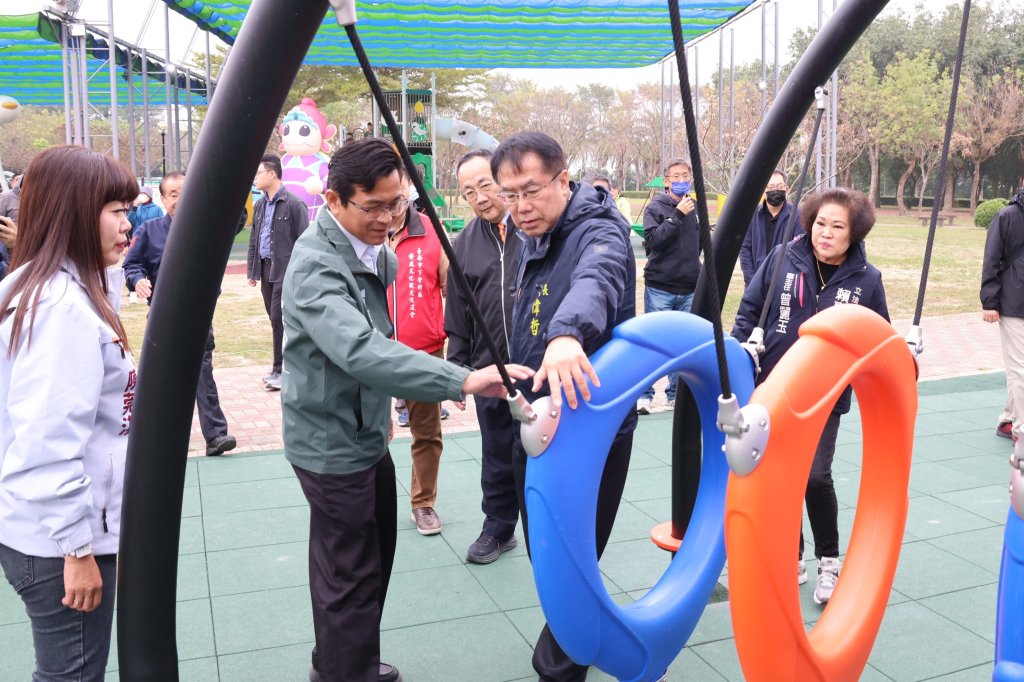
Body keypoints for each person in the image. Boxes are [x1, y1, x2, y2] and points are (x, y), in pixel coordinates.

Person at [281, 137, 532, 682]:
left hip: (361, 434)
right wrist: (461, 378)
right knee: (350, 573)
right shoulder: (316, 268)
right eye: (374, 206)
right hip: (330, 445)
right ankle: (346, 673)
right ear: (332, 199)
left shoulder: (375, 250)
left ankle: (344, 663)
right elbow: (362, 350)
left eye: (398, 203)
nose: (390, 217)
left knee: (370, 559)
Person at [494, 131, 636, 681]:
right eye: (510, 195)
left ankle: (563, 662)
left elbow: (594, 281)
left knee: (573, 558)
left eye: (531, 191)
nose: (520, 206)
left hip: (591, 425)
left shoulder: (600, 229)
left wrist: (567, 335)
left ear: (563, 178)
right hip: (537, 416)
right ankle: (582, 635)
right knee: (546, 553)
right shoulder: (533, 232)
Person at [0, 145, 137, 680]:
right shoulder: (61, 310)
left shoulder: (53, 284)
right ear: (76, 211)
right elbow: (47, 443)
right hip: (60, 539)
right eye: (116, 210)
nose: (128, 224)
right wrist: (77, 549)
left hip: (54, 530)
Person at [732, 187, 889, 606]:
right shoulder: (785, 256)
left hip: (826, 394)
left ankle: (828, 559)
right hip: (775, 385)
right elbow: (749, 310)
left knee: (815, 475)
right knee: (778, 475)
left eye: (837, 226)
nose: (826, 233)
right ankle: (792, 554)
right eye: (820, 223)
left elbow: (878, 339)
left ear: (853, 233)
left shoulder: (866, 280)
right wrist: (740, 350)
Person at [123, 172, 237, 457]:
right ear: (163, 199)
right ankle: (156, 441)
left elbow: (238, 218)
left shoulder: (209, 227)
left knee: (202, 374)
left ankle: (216, 435)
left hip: (198, 317)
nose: (180, 198)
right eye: (173, 194)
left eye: (187, 192)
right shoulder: (148, 230)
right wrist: (137, 280)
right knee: (159, 381)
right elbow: (131, 266)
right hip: (161, 319)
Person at [448, 148, 521, 564]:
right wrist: (458, 365)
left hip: (538, 365)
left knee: (544, 449)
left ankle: (548, 529)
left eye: (485, 185)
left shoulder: (533, 227)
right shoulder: (467, 241)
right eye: (468, 191)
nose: (479, 197)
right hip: (489, 368)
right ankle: (498, 526)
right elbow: (458, 307)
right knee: (497, 450)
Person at [386, 172, 450, 536]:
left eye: (399, 194)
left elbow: (452, 293)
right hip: (371, 352)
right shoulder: (363, 232)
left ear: (409, 187)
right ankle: (366, 503)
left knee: (426, 433)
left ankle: (423, 503)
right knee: (370, 430)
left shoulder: (431, 232)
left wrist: (455, 348)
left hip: (424, 351)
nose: (392, 206)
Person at [636, 158, 699, 414]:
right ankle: (645, 394)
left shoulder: (697, 207)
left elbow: (701, 244)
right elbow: (653, 242)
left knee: (684, 345)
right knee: (655, 343)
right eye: (676, 176)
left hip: (690, 287)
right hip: (660, 287)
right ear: (666, 181)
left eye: (685, 175)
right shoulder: (656, 207)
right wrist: (677, 215)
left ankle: (676, 394)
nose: (681, 180)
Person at [247, 153, 310, 391]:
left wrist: (301, 274)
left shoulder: (294, 204)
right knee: (275, 320)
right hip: (266, 270)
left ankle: (280, 369)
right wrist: (252, 271)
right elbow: (255, 238)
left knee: (279, 319)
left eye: (259, 172)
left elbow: (305, 242)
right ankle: (283, 367)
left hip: (287, 271)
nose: (255, 177)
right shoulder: (261, 204)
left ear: (272, 174)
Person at [981, 186, 1024, 442]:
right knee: (1020, 368)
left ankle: (1009, 419)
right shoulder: (1007, 216)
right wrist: (990, 301)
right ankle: (1021, 429)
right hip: (1013, 302)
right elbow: (992, 258)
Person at [739, 168, 802, 287]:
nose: (775, 190)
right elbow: (745, 249)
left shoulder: (797, 216)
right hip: (755, 282)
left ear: (786, 189)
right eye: (771, 187)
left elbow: (800, 251)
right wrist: (752, 280)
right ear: (763, 190)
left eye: (779, 186)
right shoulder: (752, 215)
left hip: (785, 285)